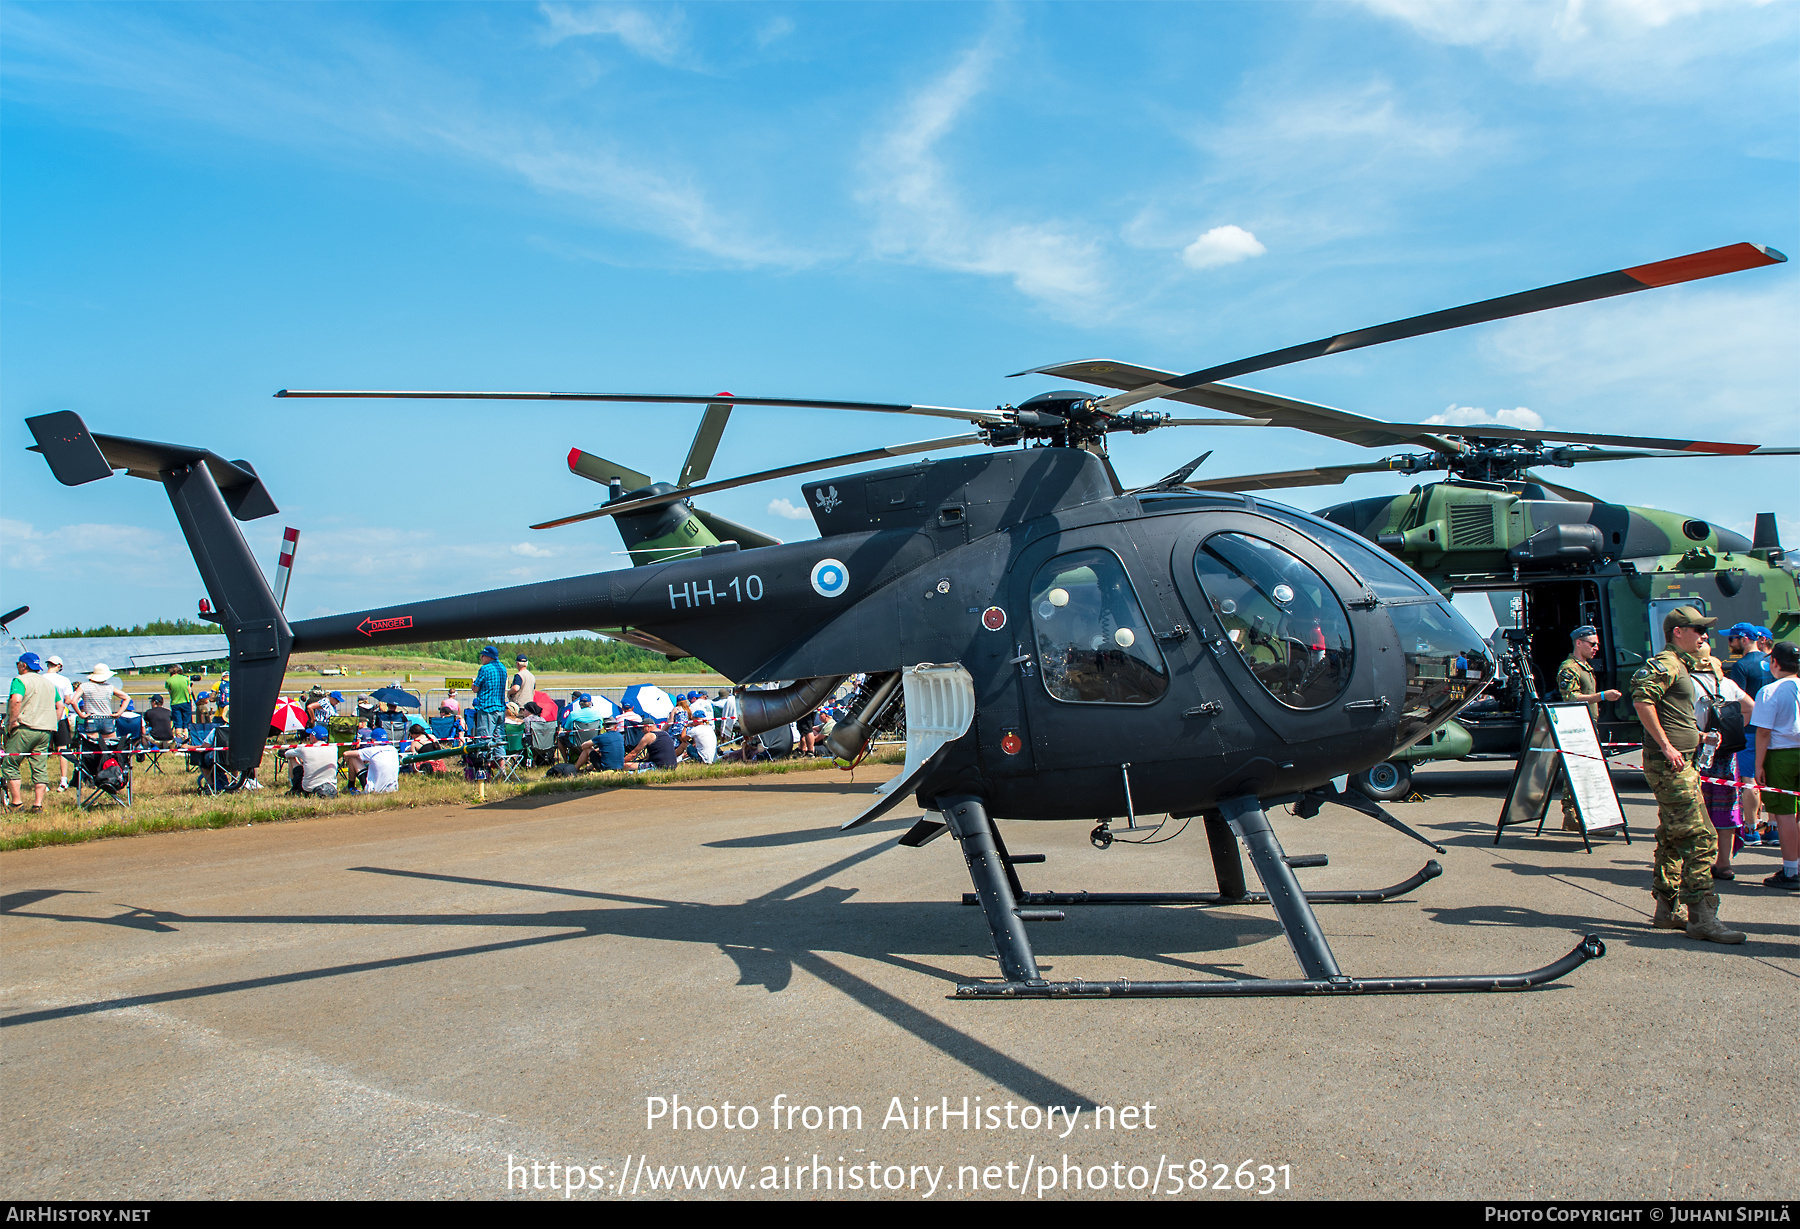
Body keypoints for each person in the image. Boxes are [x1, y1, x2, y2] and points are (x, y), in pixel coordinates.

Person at [1629, 607, 1744, 943]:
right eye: (1698, 629)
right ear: (1678, 632)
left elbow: (1673, 712)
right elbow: (1642, 701)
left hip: (1683, 761)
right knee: (1700, 838)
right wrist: (1667, 745)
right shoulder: (1665, 664)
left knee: (1672, 836)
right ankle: (1702, 918)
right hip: (1672, 767)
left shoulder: (1681, 666)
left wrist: (1699, 736)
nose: (1704, 636)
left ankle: (1667, 911)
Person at [1690, 643, 1754, 879]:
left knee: (1696, 806)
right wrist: (1732, 730)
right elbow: (1749, 707)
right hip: (1726, 753)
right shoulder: (1727, 684)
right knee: (1726, 804)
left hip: (1697, 750)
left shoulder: (1688, 685)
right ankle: (1724, 862)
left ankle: (1699, 861)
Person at [1554, 625, 1620, 831]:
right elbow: (1570, 697)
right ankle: (1571, 815)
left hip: (1588, 725)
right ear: (1579, 643)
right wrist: (1601, 696)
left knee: (1585, 772)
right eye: (1592, 644)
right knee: (1576, 771)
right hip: (1576, 727)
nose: (1596, 648)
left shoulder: (1584, 667)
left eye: (1597, 644)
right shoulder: (1569, 668)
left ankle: (1578, 816)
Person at [1751, 639, 1800, 891]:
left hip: (1781, 754)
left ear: (1774, 662)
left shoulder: (1770, 690)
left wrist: (1759, 765)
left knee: (1784, 814)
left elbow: (1763, 733)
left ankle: (1792, 870)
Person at [5, 653, 64, 815]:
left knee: (10, 764)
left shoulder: (20, 680)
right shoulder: (49, 684)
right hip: (45, 731)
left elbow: (16, 700)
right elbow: (60, 705)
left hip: (24, 728)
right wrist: (53, 722)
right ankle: (38, 804)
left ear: (23, 665)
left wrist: (12, 721)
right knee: (40, 767)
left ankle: (16, 803)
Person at [41, 655, 76, 792]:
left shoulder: (42, 678)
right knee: (63, 749)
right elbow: (68, 700)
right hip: (60, 717)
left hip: (43, 718)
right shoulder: (64, 680)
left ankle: (43, 781)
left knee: (42, 750)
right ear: (59, 666)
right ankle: (63, 780)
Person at [471, 645, 507, 764]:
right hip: (500, 708)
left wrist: (472, 684)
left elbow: (476, 688)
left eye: (483, 655)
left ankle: (485, 768)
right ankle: (502, 769)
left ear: (489, 657)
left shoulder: (484, 669)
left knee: (484, 740)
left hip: (487, 709)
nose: (481, 658)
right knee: (499, 739)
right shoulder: (503, 668)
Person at [71, 664, 131, 737]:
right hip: (107, 718)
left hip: (92, 718)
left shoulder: (84, 686)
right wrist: (119, 713)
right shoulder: (109, 687)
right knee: (110, 744)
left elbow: (73, 701)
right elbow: (126, 698)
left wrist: (81, 715)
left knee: (92, 745)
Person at [283, 726, 340, 797]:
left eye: (310, 735)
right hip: (331, 786)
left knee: (291, 758)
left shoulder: (305, 748)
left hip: (309, 788)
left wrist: (298, 749)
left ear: (313, 737)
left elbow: (287, 754)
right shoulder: (334, 748)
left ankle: (294, 788)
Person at [345, 727, 400, 793]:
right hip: (392, 789)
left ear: (374, 740)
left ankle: (350, 786)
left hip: (374, 790)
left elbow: (346, 753)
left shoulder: (372, 750)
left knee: (352, 758)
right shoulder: (393, 749)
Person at [166, 666, 193, 732]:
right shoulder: (185, 678)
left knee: (178, 724)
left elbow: (170, 692)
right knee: (186, 724)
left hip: (175, 702)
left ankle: (178, 739)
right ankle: (186, 739)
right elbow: (189, 691)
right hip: (185, 702)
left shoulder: (168, 680)